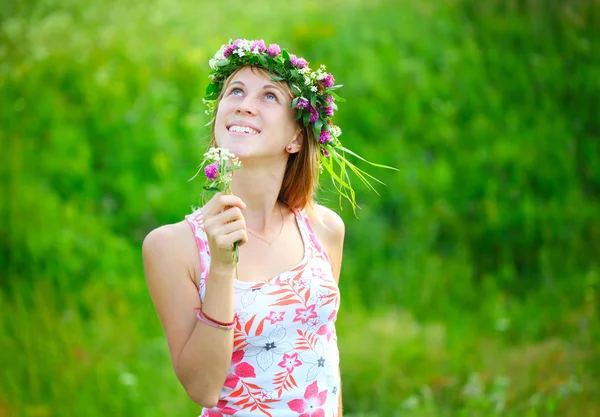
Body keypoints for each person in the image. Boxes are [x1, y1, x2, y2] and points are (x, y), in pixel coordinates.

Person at [143, 39, 383, 417]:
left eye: (269, 96)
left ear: (296, 138)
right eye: (234, 90)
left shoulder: (323, 229)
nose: (243, 104)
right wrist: (222, 266)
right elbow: (204, 388)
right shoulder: (173, 247)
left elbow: (325, 355)